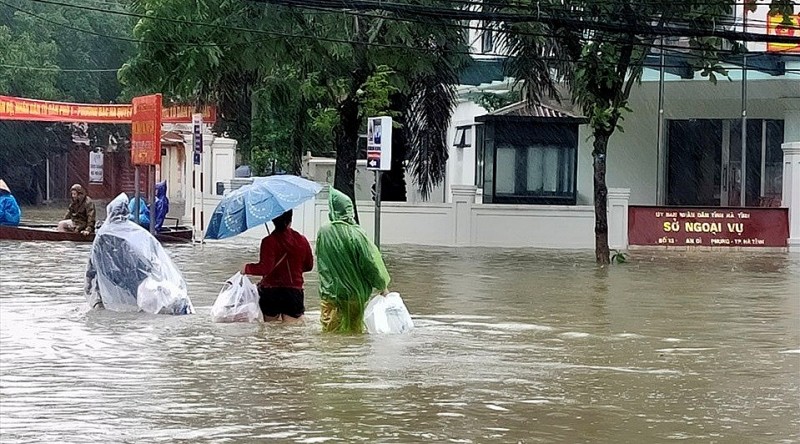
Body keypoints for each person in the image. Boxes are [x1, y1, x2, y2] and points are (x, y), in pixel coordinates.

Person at [84, 193, 193, 315]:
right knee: (134, 309)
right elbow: (148, 257)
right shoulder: (134, 231)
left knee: (110, 310)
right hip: (129, 280)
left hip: (112, 280)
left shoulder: (104, 234)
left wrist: (89, 284)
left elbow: (92, 265)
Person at [315, 188, 390, 333]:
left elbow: (321, 262)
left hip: (331, 294)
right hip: (355, 296)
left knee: (330, 335)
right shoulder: (357, 235)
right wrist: (382, 285)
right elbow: (370, 263)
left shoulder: (324, 231)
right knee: (355, 334)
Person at [242, 210, 314, 323]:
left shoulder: (268, 241)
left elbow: (265, 268)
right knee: (292, 333)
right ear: (291, 219)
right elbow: (309, 266)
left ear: (273, 220)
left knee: (271, 332)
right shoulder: (302, 240)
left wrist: (247, 268)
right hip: (293, 292)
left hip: (271, 293)